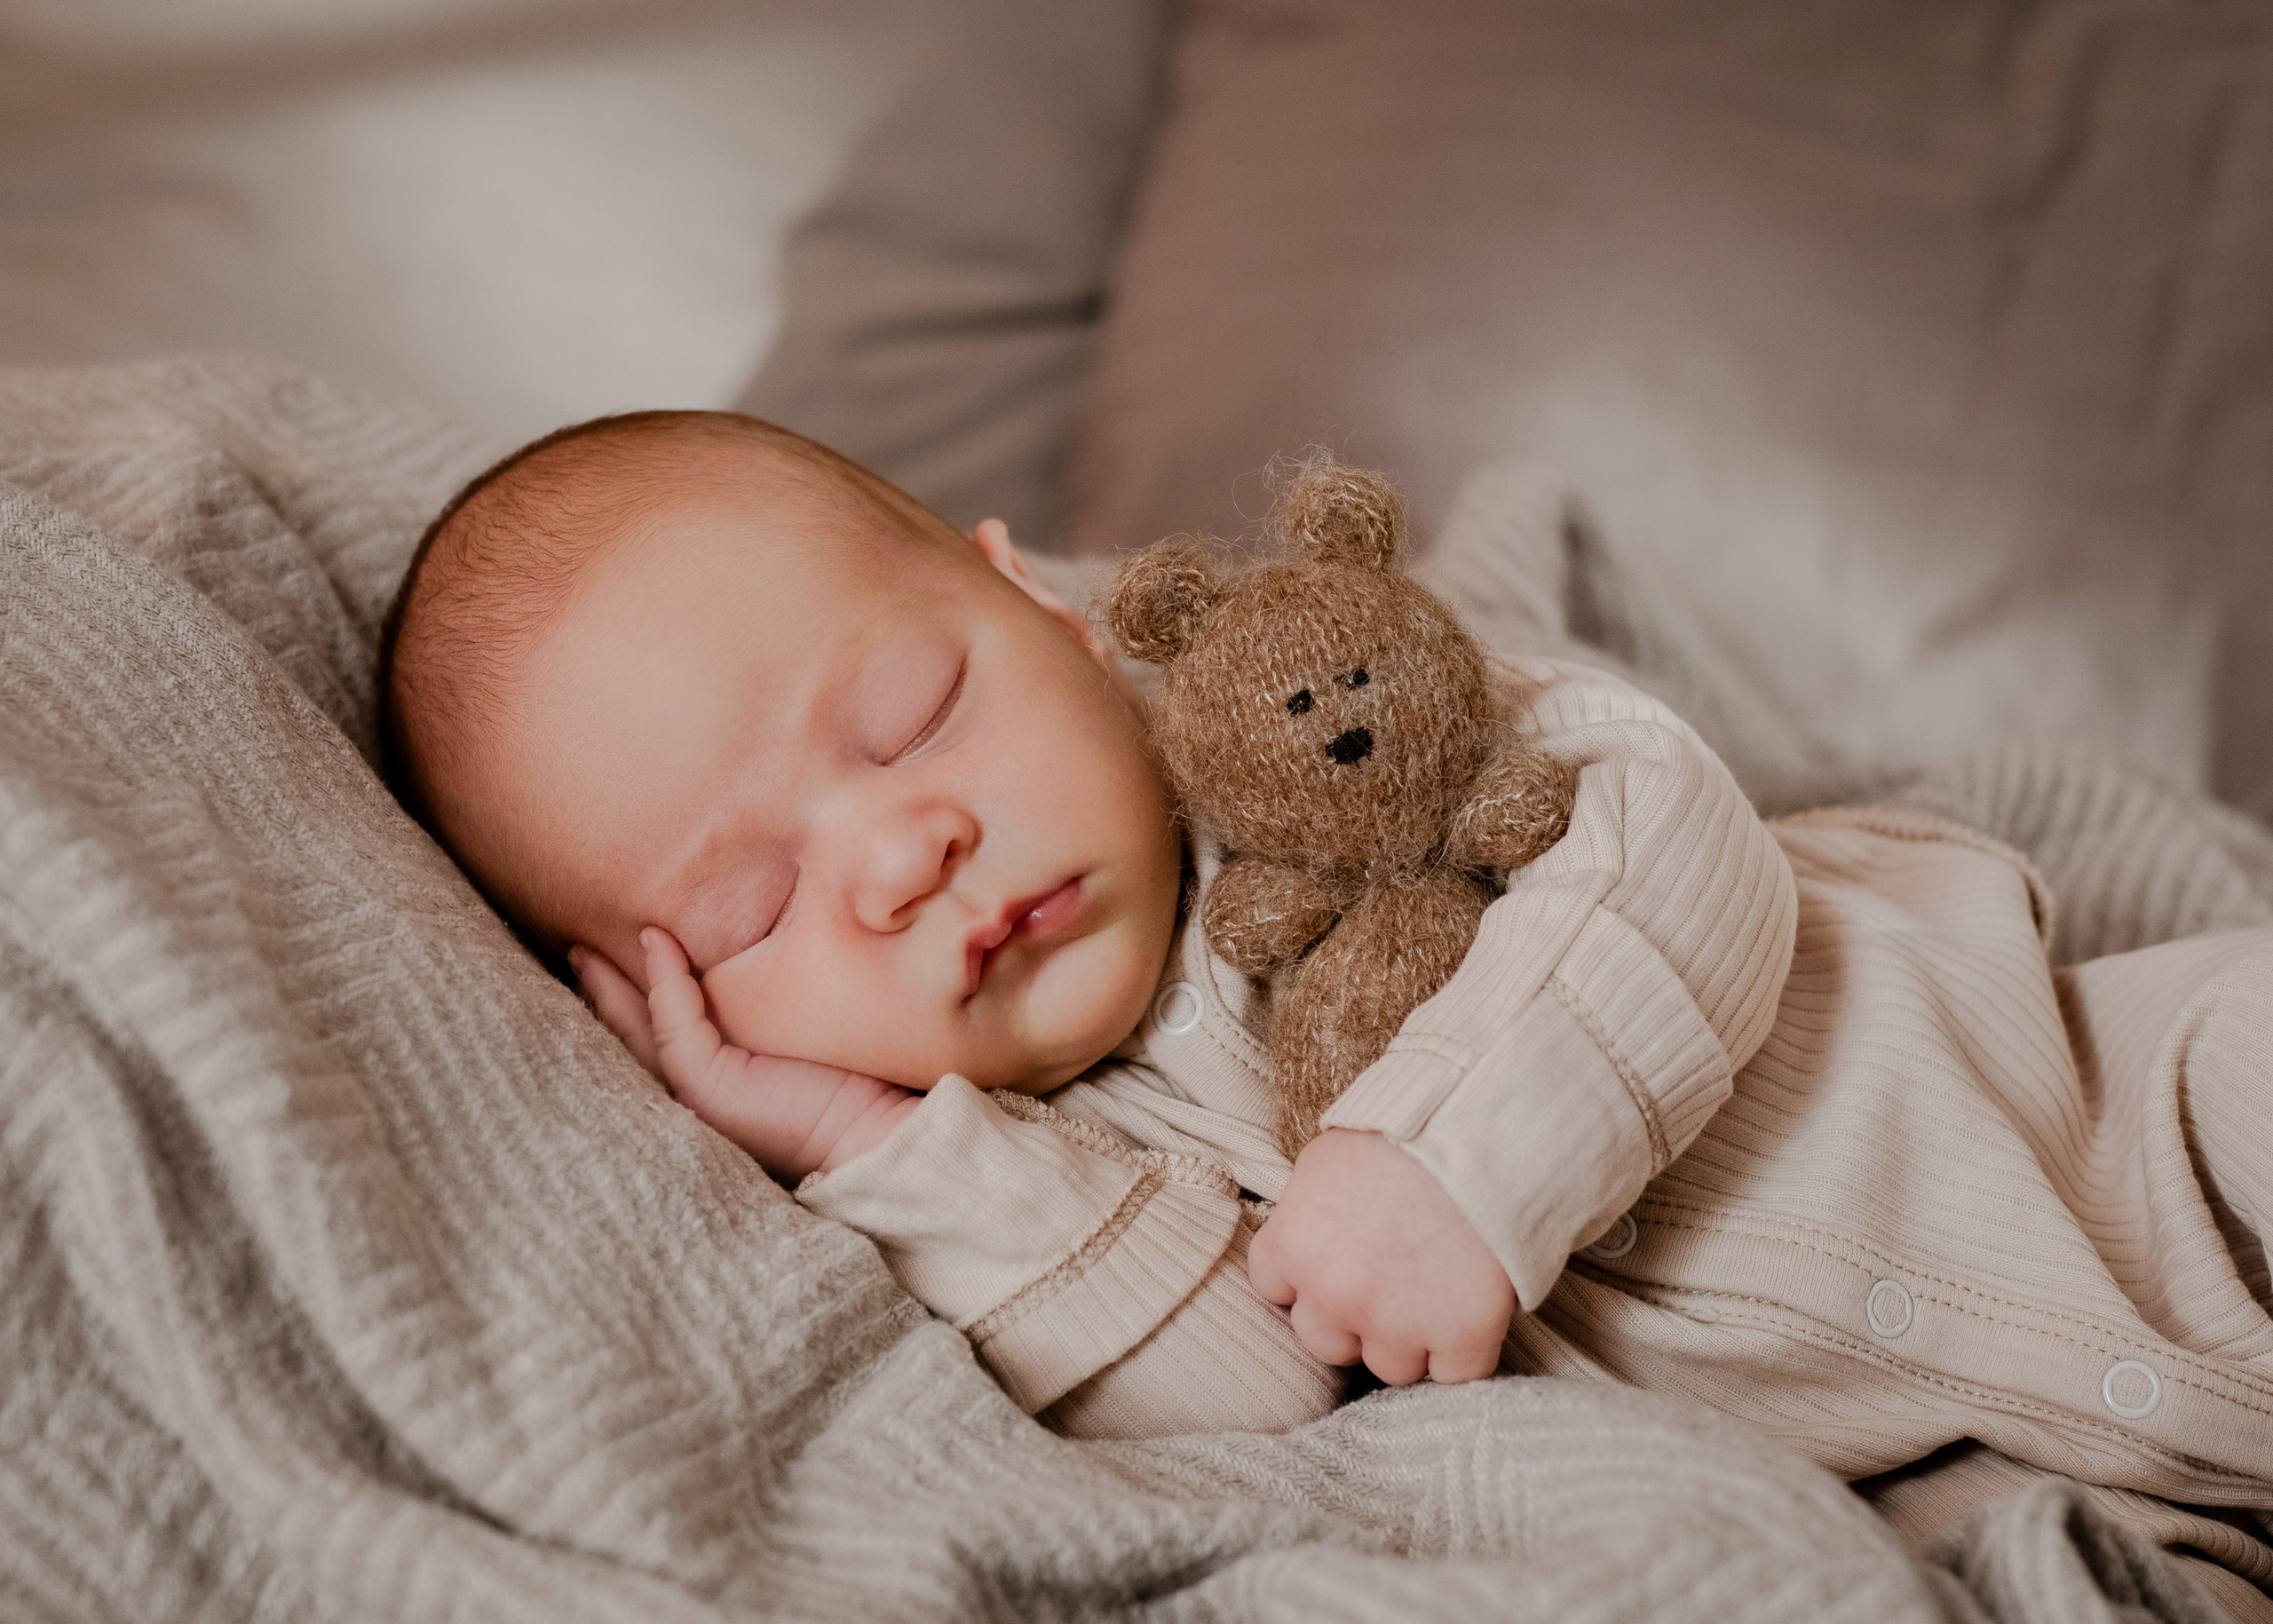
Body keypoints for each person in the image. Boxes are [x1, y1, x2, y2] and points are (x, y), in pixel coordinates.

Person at [380, 409, 2273, 1612]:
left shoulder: (1309, 722)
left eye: (909, 717)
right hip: (1988, 1496)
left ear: (1045, 610)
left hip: (2125, 1129)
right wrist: (877, 1145)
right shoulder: (1026, 1172)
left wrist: (1458, 1157)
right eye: (752, 904)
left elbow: (1665, 825)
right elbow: (1251, 1406)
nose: (900, 850)